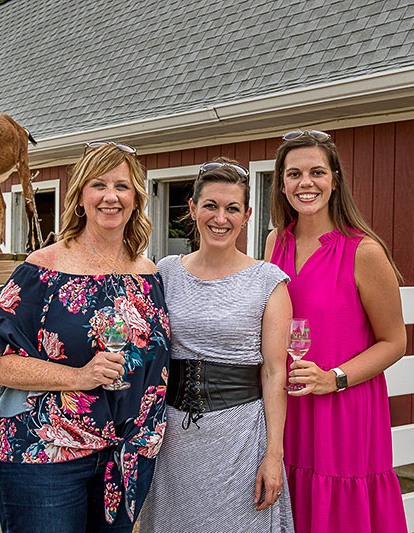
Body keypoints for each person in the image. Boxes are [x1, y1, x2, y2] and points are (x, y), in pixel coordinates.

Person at [0, 141, 170, 533]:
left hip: (124, 457)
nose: (111, 196)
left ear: (137, 198)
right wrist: (78, 377)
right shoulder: (43, 269)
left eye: (122, 186)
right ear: (80, 198)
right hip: (45, 457)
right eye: (98, 185)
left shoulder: (148, 273)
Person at [264, 130, 408, 532]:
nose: (305, 183)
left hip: (342, 410)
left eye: (316, 172)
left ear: (335, 179)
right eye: (294, 174)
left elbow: (395, 342)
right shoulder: (275, 242)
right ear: (282, 183)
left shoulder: (364, 251)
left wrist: (334, 378)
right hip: (287, 405)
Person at [140, 158, 294, 532]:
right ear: (192, 209)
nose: (220, 218)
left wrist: (273, 456)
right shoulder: (165, 271)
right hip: (172, 440)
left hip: (239, 438)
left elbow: (274, 373)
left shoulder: (268, 281)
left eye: (232, 209)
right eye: (210, 205)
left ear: (247, 216)